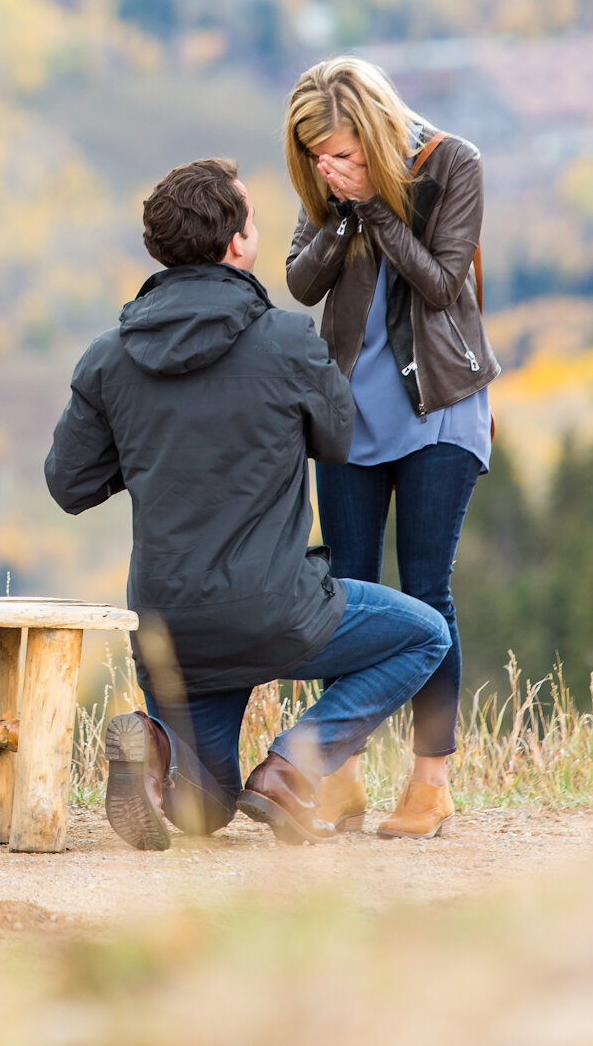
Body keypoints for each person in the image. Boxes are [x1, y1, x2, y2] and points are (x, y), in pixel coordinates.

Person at [45, 157, 452, 848]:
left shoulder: (108, 356)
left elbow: (70, 483)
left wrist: (151, 450)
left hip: (170, 628)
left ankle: (156, 749)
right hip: (275, 609)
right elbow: (340, 437)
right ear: (237, 243)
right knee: (423, 634)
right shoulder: (287, 340)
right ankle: (294, 766)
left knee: (204, 807)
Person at [282, 55, 501, 840]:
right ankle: (340, 773)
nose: (327, 168)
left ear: (375, 134)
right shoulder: (330, 189)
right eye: (315, 157)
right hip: (350, 416)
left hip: (438, 406)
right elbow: (303, 283)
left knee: (425, 590)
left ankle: (430, 781)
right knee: (345, 591)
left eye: (341, 153)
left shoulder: (454, 164)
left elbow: (443, 284)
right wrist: (342, 212)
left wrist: (375, 212)